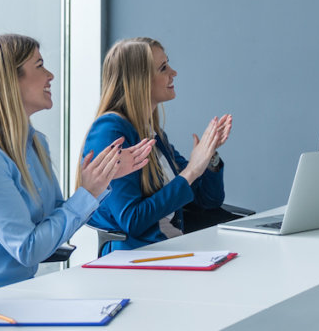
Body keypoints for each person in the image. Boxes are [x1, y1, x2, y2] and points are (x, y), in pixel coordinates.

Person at [0, 35, 153, 299]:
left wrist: (102, 181)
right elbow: (29, 248)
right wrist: (87, 192)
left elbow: (55, 217)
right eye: (40, 65)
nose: (51, 75)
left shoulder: (34, 144)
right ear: (11, 80)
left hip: (18, 293)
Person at [80, 37, 232, 252]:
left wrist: (210, 157)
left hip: (170, 249)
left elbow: (208, 200)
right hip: (137, 259)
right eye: (163, 68)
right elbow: (132, 220)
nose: (173, 73)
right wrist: (191, 171)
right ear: (139, 80)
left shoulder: (151, 132)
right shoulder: (110, 131)